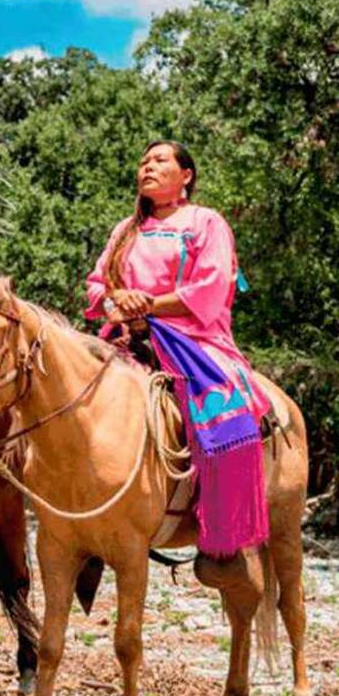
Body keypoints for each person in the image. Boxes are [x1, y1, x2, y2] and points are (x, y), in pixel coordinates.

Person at [85, 140, 269, 584]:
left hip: (193, 337)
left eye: (160, 160)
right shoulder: (125, 229)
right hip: (126, 336)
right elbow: (96, 285)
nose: (147, 166)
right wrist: (114, 300)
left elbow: (209, 289)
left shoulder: (206, 223)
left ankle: (220, 536)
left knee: (228, 415)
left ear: (185, 175)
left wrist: (146, 303)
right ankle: (82, 523)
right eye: (144, 160)